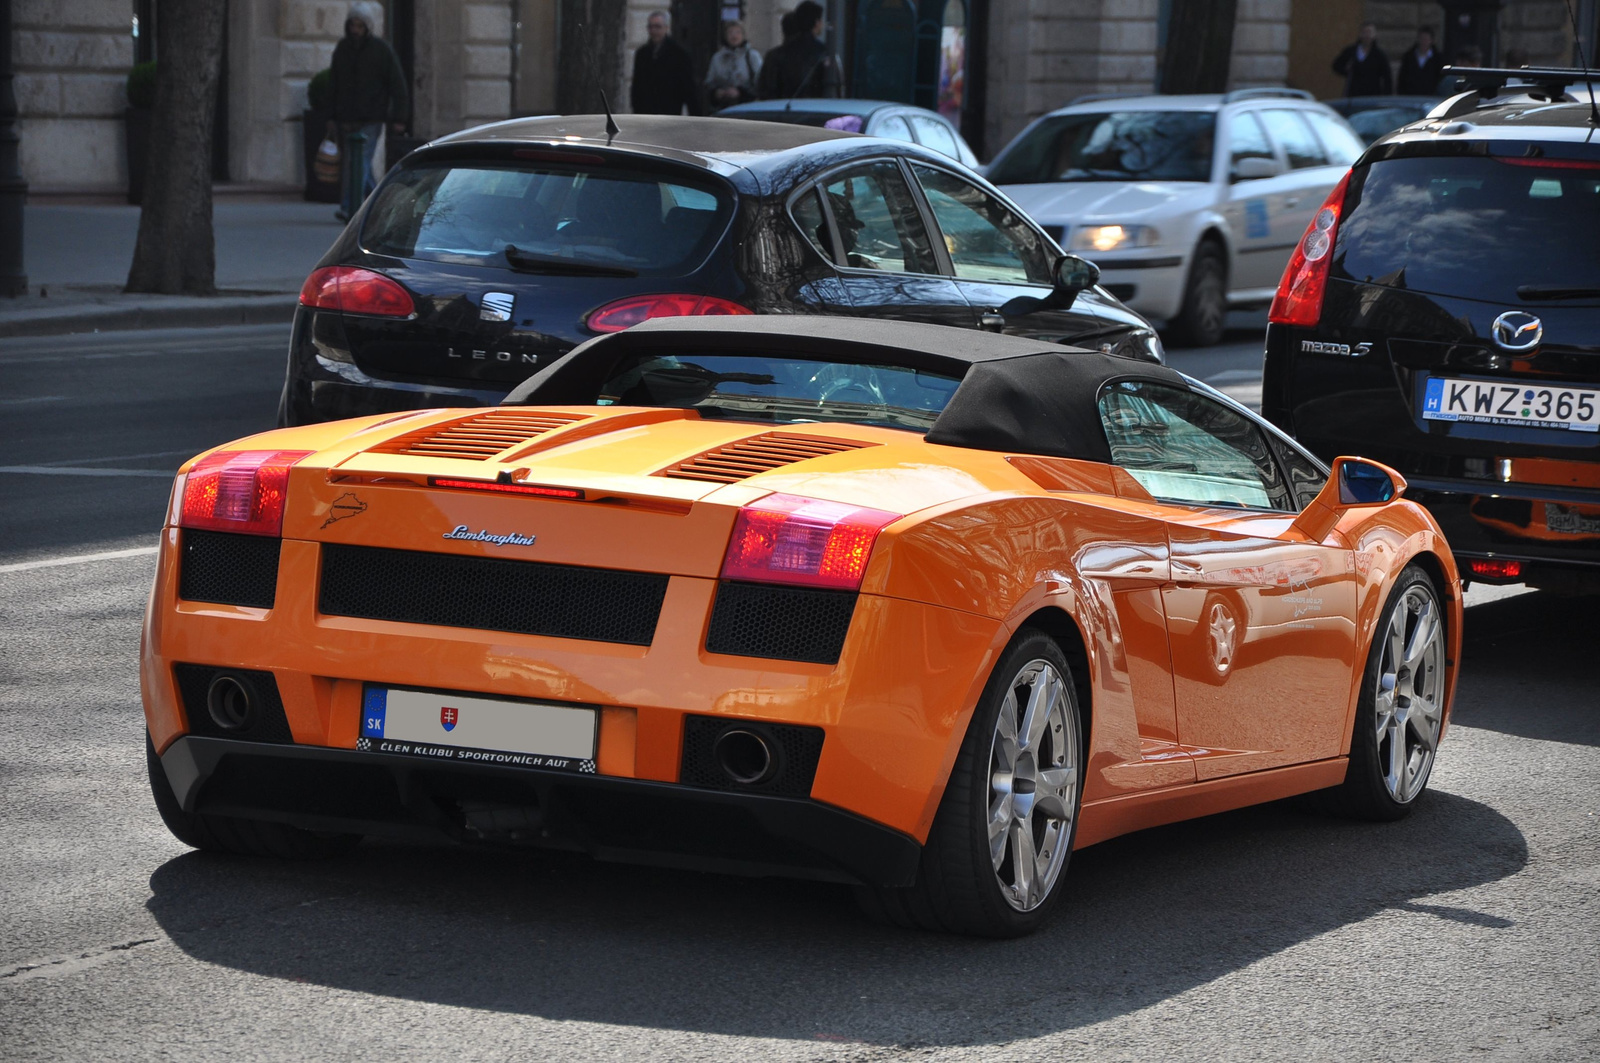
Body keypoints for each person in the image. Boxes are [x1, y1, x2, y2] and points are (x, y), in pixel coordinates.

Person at [326, 1, 408, 219]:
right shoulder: (343, 49)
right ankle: (379, 203)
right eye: (352, 25)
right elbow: (334, 83)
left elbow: (397, 84)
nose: (355, 30)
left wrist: (399, 117)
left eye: (360, 26)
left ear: (368, 27)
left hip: (372, 117)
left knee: (358, 162)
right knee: (358, 165)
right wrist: (331, 116)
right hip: (346, 117)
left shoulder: (382, 51)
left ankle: (348, 206)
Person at [758, 2, 842, 100]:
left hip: (780, 111)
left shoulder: (775, 55)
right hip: (814, 110)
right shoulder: (825, 53)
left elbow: (765, 91)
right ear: (816, 23)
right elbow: (835, 89)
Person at [631, 10, 701, 116]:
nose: (653, 31)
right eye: (650, 27)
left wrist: (696, 117)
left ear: (666, 28)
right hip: (645, 113)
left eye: (658, 27)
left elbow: (688, 88)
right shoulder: (642, 54)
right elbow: (636, 86)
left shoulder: (679, 54)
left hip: (669, 112)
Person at [705, 21, 764, 111]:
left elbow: (760, 81)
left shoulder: (752, 56)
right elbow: (710, 81)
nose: (734, 36)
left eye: (737, 32)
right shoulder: (718, 58)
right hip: (723, 107)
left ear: (743, 35)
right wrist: (717, 92)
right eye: (730, 32)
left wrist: (741, 92)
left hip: (747, 105)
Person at [1332, 22, 1393, 97]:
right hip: (1353, 94)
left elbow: (1387, 77)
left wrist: (1386, 96)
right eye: (1364, 32)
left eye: (1369, 32)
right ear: (1360, 34)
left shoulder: (1379, 55)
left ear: (1374, 35)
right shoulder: (1351, 52)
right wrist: (1346, 70)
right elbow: (1336, 65)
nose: (1367, 36)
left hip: (1373, 95)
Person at [1396, 27, 1445, 95]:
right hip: (1411, 96)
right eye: (1422, 39)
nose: (1424, 42)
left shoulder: (1437, 59)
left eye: (1426, 39)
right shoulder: (1409, 57)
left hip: (1430, 97)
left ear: (1431, 41)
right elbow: (1402, 78)